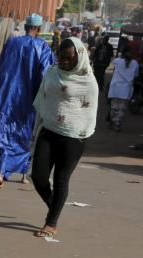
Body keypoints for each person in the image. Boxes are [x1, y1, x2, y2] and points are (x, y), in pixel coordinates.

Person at [30, 37, 98, 239]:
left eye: (68, 58)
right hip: (49, 129)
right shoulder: (52, 72)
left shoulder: (88, 81)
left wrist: (80, 131)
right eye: (61, 57)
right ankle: (54, 205)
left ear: (79, 57)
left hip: (73, 137)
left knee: (61, 178)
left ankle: (51, 222)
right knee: (38, 176)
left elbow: (88, 112)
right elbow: (43, 95)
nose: (64, 62)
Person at [0, 14, 55, 188]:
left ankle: (1, 174)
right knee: (26, 133)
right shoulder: (42, 47)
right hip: (29, 99)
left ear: (26, 27)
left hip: (6, 96)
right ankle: (24, 174)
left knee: (2, 132)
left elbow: (0, 67)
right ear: (39, 29)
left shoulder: (11, 43)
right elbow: (46, 75)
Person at [107, 47, 139, 132]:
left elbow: (112, 63)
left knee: (114, 108)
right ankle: (117, 124)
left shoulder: (117, 61)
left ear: (122, 53)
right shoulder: (135, 63)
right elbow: (136, 76)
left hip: (115, 88)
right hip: (126, 89)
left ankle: (114, 122)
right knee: (122, 109)